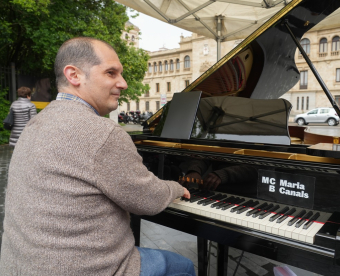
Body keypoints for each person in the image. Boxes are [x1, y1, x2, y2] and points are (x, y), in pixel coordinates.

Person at [0, 37, 195, 276]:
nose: (123, 83)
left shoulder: (36, 123)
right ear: (74, 75)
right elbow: (149, 200)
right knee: (183, 266)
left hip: (21, 264)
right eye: (111, 73)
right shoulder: (102, 133)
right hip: (81, 269)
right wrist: (175, 187)